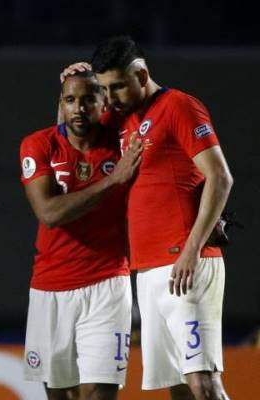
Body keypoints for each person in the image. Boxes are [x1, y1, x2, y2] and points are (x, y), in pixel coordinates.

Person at [82, 36, 232, 400]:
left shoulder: (178, 106)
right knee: (178, 387)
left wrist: (191, 249)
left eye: (118, 86)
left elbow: (220, 176)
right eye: (105, 88)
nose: (111, 96)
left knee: (203, 382)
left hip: (186, 264)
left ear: (142, 74)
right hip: (147, 271)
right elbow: (76, 128)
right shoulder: (125, 120)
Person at [19, 70, 143, 400]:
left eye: (89, 99)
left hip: (108, 284)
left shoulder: (120, 142)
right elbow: (49, 213)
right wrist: (112, 180)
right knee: (62, 395)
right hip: (51, 287)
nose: (79, 108)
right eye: (71, 100)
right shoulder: (39, 144)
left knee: (100, 392)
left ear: (103, 103)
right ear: (60, 104)